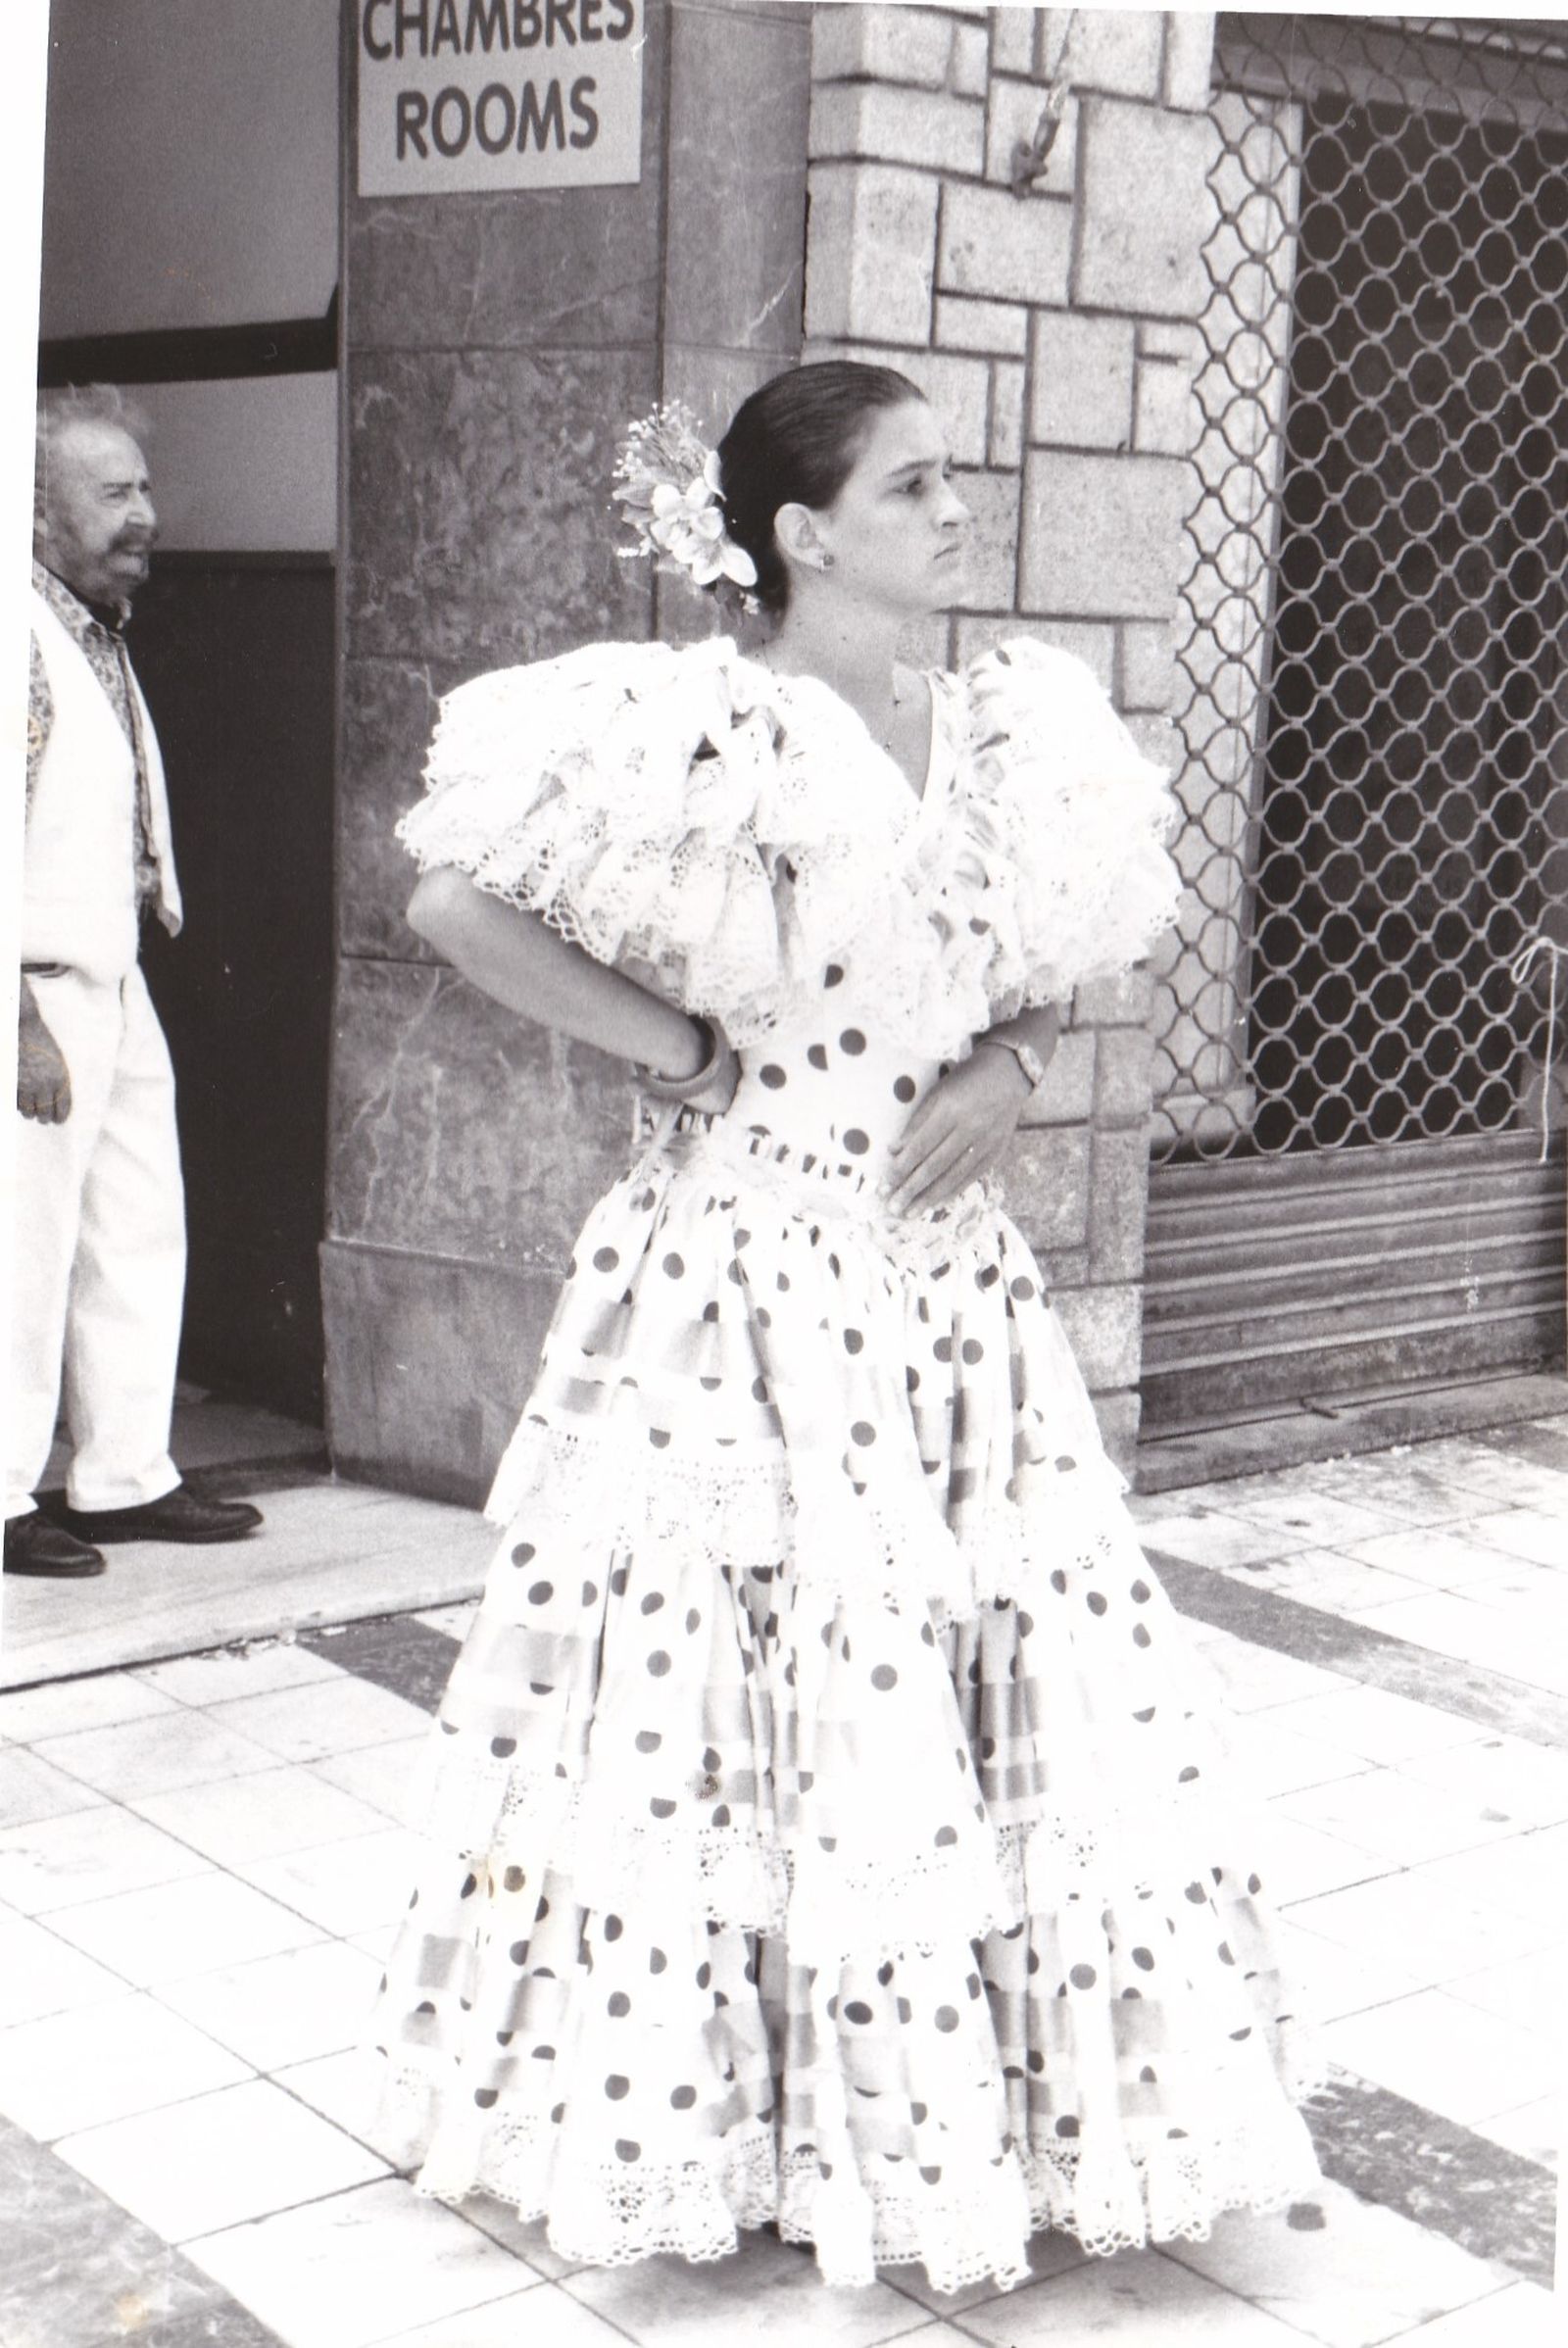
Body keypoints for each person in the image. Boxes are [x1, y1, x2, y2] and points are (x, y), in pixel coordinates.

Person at [371, 362, 1322, 2292]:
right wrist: (677, 1050)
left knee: (976, 1674)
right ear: (802, 534)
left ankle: (964, 2120)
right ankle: (740, 2124)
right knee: (741, 1693)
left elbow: (1052, 952)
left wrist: (1016, 1062)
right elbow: (452, 906)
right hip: (747, 1279)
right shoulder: (700, 727)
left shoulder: (1006, 729)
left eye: (952, 477)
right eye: (913, 486)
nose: (957, 510)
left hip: (948, 1296)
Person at [7, 386, 263, 1579]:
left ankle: (123, 1473)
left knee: (133, 1226)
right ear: (34, 510)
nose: (146, 516)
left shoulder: (90, 629)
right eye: (113, 493)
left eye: (144, 488)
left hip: (110, 971)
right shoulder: (15, 635)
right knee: (19, 1250)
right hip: (34, 989)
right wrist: (19, 1020)